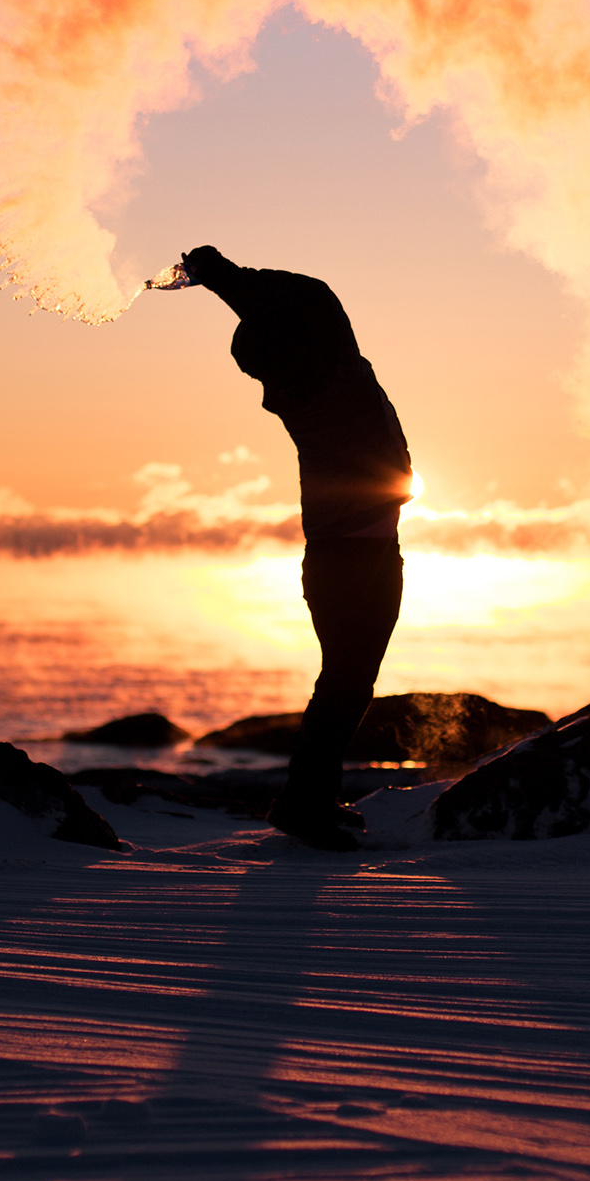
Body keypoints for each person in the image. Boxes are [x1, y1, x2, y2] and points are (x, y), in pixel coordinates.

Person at [179, 246, 412, 852]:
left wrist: (219, 280)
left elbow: (296, 306)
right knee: (346, 684)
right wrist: (225, 274)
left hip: (347, 558)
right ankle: (305, 804)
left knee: (343, 682)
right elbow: (312, 299)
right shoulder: (332, 373)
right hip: (358, 562)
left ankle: (309, 799)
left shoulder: (295, 383)